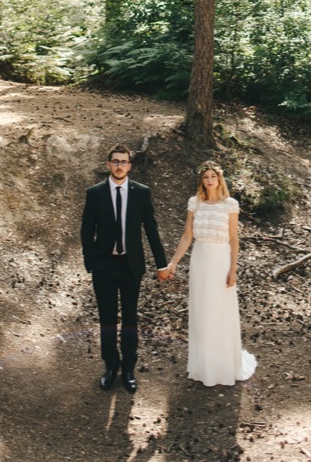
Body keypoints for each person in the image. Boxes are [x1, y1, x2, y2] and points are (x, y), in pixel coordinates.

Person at [80, 143, 170, 393]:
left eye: (124, 162)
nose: (119, 166)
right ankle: (111, 368)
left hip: (131, 265)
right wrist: (91, 261)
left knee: (130, 317)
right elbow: (86, 230)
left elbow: (151, 229)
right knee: (107, 318)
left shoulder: (141, 192)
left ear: (130, 166)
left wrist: (161, 263)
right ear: (108, 164)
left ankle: (129, 369)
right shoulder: (95, 193)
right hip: (105, 265)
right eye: (115, 161)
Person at [167, 161, 257, 386]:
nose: (209, 180)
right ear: (201, 180)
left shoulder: (230, 205)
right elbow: (187, 236)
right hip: (200, 259)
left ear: (219, 179)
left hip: (221, 260)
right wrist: (174, 262)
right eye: (205, 177)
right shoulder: (195, 203)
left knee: (220, 310)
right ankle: (203, 366)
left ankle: (224, 366)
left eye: (212, 176)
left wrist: (233, 268)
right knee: (202, 310)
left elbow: (234, 239)